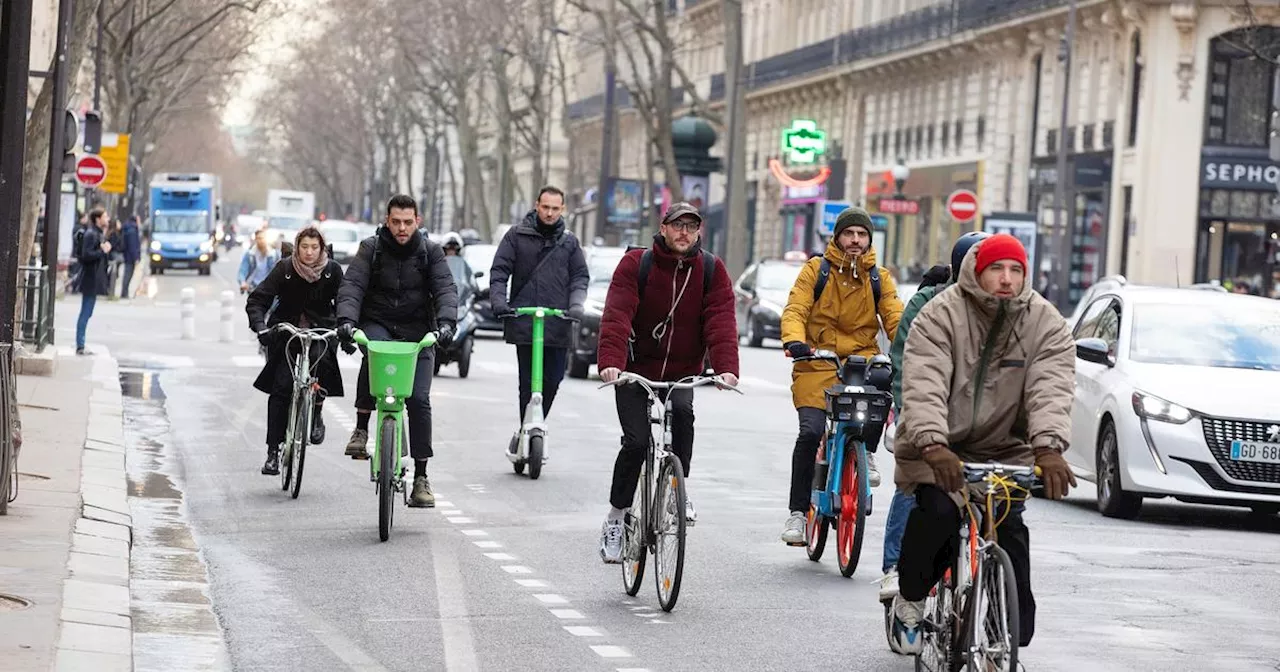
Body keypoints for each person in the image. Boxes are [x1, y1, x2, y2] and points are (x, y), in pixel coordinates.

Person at [888, 233, 1077, 654]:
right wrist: (933, 445)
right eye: (996, 269)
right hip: (936, 446)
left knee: (1010, 530)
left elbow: (1051, 387)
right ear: (977, 270)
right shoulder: (940, 314)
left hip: (1005, 450)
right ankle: (911, 602)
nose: (1006, 279)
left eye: (1016, 270)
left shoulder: (1045, 322)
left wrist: (1048, 447)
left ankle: (1006, 630)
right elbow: (924, 383)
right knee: (936, 514)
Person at [594, 202, 740, 563]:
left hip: (682, 370)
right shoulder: (636, 265)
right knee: (636, 442)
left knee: (684, 418)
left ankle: (677, 488)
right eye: (677, 226)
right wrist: (611, 362)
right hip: (634, 368)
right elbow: (617, 314)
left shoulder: (710, 269)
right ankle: (616, 517)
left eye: (691, 227)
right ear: (663, 228)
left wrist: (726, 368)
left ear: (699, 232)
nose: (684, 233)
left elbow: (721, 319)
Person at [778, 207, 904, 545]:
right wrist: (794, 340)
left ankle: (867, 451)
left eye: (862, 235)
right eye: (849, 233)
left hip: (860, 361)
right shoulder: (815, 270)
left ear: (868, 240)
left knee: (881, 387)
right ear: (837, 237)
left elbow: (895, 317)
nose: (855, 240)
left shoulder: (879, 278)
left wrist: (909, 345)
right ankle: (796, 513)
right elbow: (797, 308)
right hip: (818, 360)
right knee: (811, 431)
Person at [877, 232, 989, 603]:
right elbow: (905, 361)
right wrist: (909, 414)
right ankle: (895, 567)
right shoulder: (928, 304)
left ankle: (992, 589)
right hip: (930, 412)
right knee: (916, 485)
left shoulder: (1010, 310)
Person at [336, 194, 458, 508]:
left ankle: (421, 477)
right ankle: (362, 428)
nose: (401, 229)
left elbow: (445, 288)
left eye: (407, 222)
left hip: (418, 332)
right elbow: (353, 286)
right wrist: (347, 322)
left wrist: (445, 324)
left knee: (418, 400)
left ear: (417, 221)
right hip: (379, 322)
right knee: (371, 350)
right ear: (387, 221)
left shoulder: (431, 252)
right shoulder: (371, 248)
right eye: (395, 222)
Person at [487, 186, 589, 453]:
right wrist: (499, 302)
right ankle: (525, 430)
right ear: (537, 205)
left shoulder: (569, 243)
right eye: (545, 207)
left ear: (562, 209)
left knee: (553, 380)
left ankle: (534, 424)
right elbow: (500, 271)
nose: (550, 213)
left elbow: (580, 277)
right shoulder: (516, 236)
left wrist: (576, 305)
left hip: (558, 322)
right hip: (525, 321)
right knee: (528, 382)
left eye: (555, 208)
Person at [245, 227, 349, 475]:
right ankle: (273, 451)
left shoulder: (332, 271)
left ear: (322, 248)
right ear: (297, 247)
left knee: (322, 365)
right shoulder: (285, 269)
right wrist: (260, 327)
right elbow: (258, 300)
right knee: (281, 387)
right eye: (304, 247)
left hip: (321, 331)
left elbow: (346, 301)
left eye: (315, 247)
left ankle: (317, 412)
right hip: (287, 333)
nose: (309, 252)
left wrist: (347, 329)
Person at [75, 208, 112, 355]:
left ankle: (81, 344)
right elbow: (86, 255)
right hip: (90, 278)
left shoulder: (97, 233)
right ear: (98, 219)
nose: (108, 219)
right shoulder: (91, 234)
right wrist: (102, 251)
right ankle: (80, 345)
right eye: (105, 216)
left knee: (88, 312)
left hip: (94, 278)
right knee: (85, 312)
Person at [239, 228, 280, 294]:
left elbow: (278, 271)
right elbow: (243, 269)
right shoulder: (250, 254)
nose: (261, 240)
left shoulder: (274, 254)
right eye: (258, 238)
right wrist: (243, 282)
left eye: (263, 238)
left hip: (268, 287)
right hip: (253, 286)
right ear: (255, 239)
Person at [120, 216, 141, 299]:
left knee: (127, 274)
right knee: (128, 274)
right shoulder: (132, 230)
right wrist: (136, 258)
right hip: (130, 257)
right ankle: (124, 293)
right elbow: (133, 245)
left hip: (127, 255)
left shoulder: (128, 228)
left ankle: (124, 292)